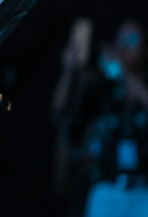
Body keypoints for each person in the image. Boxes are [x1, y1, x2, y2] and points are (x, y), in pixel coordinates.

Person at [52, 18, 148, 217]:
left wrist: (123, 70)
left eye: (131, 39)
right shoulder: (105, 85)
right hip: (107, 190)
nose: (124, 45)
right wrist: (69, 70)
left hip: (143, 193)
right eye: (120, 39)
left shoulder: (138, 85)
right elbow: (59, 110)